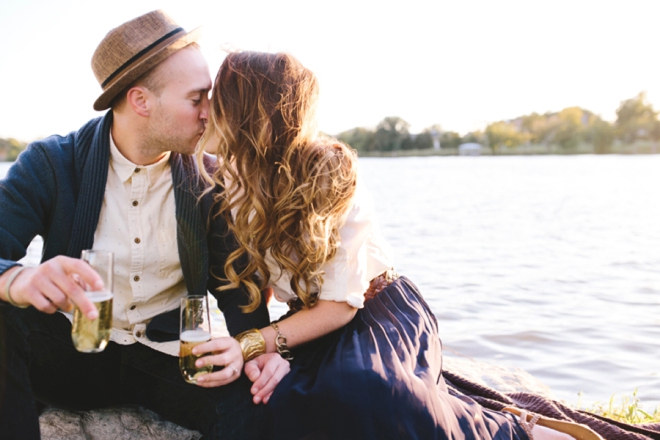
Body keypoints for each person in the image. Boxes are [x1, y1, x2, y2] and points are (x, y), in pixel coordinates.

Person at [195, 51, 604, 440]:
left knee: (365, 389)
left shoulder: (328, 174)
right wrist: (272, 351)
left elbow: (340, 305)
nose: (205, 110)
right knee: (284, 404)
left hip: (380, 311)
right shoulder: (229, 180)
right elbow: (255, 285)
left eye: (217, 100)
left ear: (248, 113)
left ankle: (521, 431)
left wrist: (254, 343)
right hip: (310, 324)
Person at [0, 11, 289, 440]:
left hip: (170, 361)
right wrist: (17, 280)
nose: (210, 113)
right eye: (197, 98)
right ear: (141, 101)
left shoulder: (212, 179)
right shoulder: (50, 163)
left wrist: (256, 349)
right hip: (74, 351)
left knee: (266, 403)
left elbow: (235, 286)